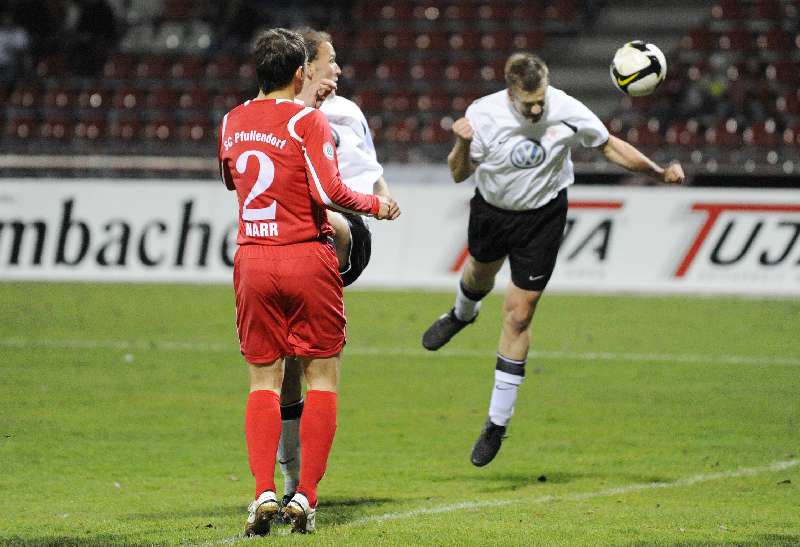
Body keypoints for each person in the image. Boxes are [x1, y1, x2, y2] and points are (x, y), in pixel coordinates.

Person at [421, 52, 684, 467]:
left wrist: (658, 172)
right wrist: (463, 142)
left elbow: (610, 146)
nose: (538, 108)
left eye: (541, 99)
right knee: (478, 275)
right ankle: (461, 314)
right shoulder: (483, 115)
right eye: (530, 104)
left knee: (519, 314)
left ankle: (496, 422)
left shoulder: (567, 110)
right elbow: (458, 173)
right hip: (492, 210)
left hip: (542, 217)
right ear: (510, 94)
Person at [217, 28, 399, 536]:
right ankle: (306, 498)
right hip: (306, 256)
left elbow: (233, 179)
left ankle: (263, 494)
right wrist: (377, 205)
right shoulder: (308, 120)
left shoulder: (231, 121)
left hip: (253, 257)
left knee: (263, 382)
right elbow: (329, 189)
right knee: (322, 378)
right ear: (300, 73)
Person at [276, 27, 396, 510]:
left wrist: (382, 196)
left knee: (325, 219)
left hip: (342, 230)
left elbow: (368, 170)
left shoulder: (346, 113)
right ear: (304, 67)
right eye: (331, 61)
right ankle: (291, 483)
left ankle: (300, 487)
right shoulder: (273, 115)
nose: (339, 70)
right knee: (287, 364)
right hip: (292, 246)